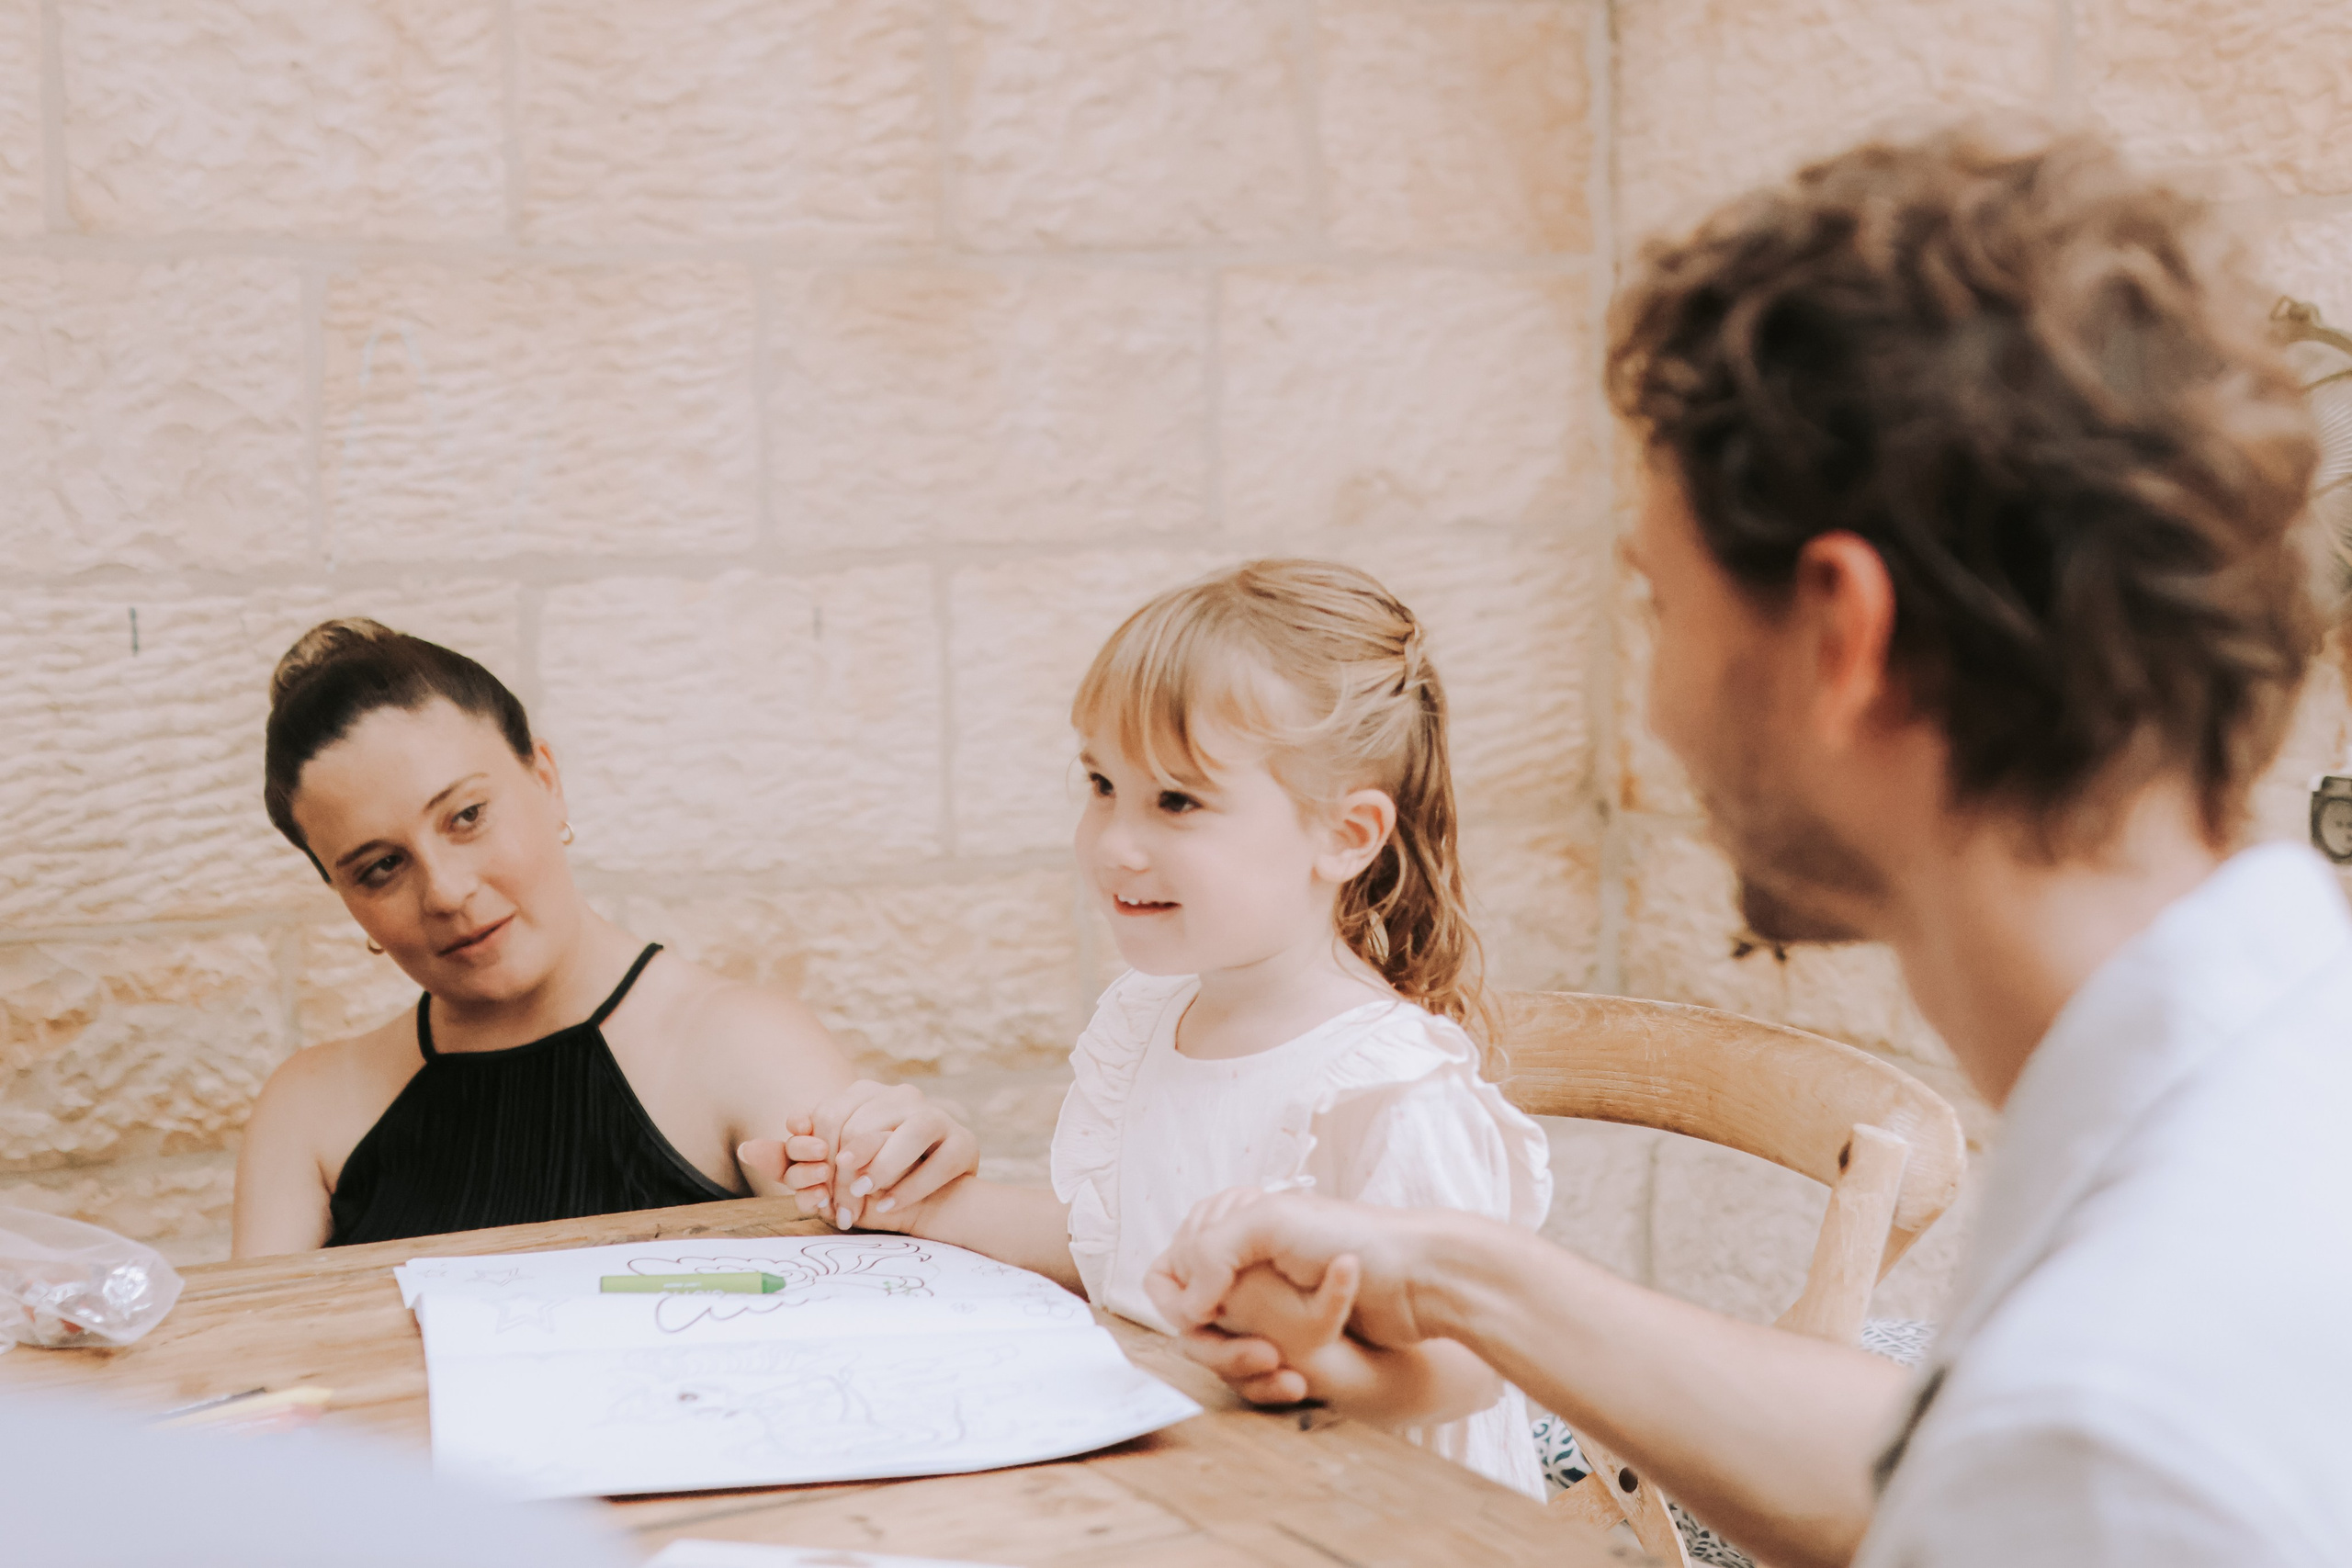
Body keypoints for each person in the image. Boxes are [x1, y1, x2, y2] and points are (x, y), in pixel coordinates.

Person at [1145, 129, 2352, 1567]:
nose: (1653, 702)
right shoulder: (2258, 1036)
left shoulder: (2123, 1426)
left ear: (1843, 634)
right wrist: (1464, 1275)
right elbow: (1930, 1462)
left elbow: (2054, 1458)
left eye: (1662, 602)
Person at [750, 561, 1555, 1496]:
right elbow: (1116, 1238)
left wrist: (1318, 1364)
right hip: (1184, 1495)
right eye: (1101, 784)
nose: (1115, 844)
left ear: (1345, 835)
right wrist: (918, 1207)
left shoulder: (1386, 1089)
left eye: (1176, 801)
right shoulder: (1150, 1019)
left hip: (1378, 1525)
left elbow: (1473, 1364)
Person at [232, 619, 976, 1257]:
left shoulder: (746, 1046)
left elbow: (877, 1328)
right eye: (381, 867)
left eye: (466, 816)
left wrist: (933, 1192)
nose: (446, 891)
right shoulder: (310, 1110)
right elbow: (256, 1391)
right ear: (345, 898)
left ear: (546, 778)